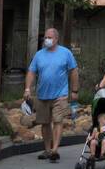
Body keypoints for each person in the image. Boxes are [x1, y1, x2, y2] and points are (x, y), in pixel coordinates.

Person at [24, 27, 79, 162]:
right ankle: (47, 149)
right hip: (42, 95)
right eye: (45, 37)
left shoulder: (65, 53)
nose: (46, 40)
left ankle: (55, 150)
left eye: (49, 37)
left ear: (56, 39)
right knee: (44, 123)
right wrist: (27, 89)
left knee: (58, 121)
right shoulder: (39, 55)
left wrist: (74, 91)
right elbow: (31, 72)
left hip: (60, 95)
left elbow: (73, 71)